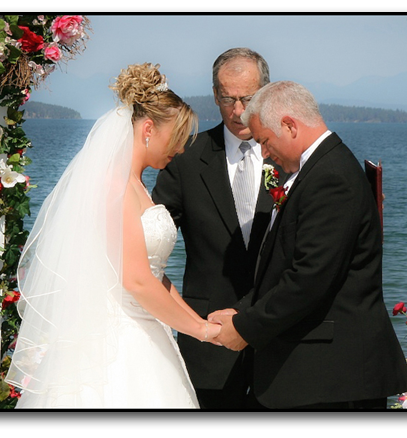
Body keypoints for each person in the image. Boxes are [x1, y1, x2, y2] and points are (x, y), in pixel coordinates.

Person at [5, 63, 221, 408]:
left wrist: (200, 324)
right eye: (177, 137)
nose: (180, 148)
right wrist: (202, 332)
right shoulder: (115, 188)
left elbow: (156, 276)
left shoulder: (137, 187)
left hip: (150, 328)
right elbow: (136, 280)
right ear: (148, 128)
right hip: (119, 339)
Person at [209, 80, 407, 409]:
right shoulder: (316, 171)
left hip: (335, 379)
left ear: (289, 125)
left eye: (264, 141)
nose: (264, 153)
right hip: (318, 377)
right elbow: (284, 265)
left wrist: (245, 328)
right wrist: (241, 309)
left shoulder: (331, 178)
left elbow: (310, 278)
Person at [152, 48, 285, 408]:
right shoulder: (186, 157)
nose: (238, 110)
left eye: (248, 98)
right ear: (215, 95)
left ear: (266, 92)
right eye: (228, 99)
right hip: (207, 344)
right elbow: (153, 235)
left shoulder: (290, 158)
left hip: (281, 344)